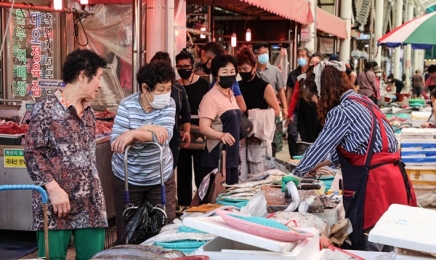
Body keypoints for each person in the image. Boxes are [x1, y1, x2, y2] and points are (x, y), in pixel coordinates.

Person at [293, 61, 417, 251]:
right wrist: (316, 167)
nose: (317, 103)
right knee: (390, 247)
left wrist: (297, 172)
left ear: (324, 92)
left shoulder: (342, 112)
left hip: (374, 188)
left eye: (316, 98)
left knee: (370, 248)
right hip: (394, 182)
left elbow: (319, 147)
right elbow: (348, 149)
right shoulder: (362, 101)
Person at [24, 49, 108, 259]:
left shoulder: (89, 113)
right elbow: (32, 152)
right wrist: (52, 189)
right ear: (82, 76)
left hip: (90, 205)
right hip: (55, 204)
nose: (99, 84)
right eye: (98, 77)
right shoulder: (45, 108)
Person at [111, 62, 177, 236]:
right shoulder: (126, 105)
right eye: (161, 90)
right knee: (129, 230)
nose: (166, 94)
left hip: (160, 175)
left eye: (168, 88)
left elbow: (162, 138)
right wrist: (148, 129)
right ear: (145, 88)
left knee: (164, 228)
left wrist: (134, 133)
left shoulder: (169, 104)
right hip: (127, 176)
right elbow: (118, 143)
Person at [236, 47, 280, 180]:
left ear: (254, 67)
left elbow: (277, 111)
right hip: (241, 137)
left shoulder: (264, 86)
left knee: (259, 176)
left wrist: (253, 115)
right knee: (241, 177)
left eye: (245, 69)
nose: (243, 72)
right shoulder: (237, 86)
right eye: (240, 70)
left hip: (258, 139)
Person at [174, 49, 210, 207]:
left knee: (200, 171)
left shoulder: (203, 83)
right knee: (183, 172)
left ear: (192, 66)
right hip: (181, 132)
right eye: (179, 66)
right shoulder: (175, 86)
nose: (183, 69)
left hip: (200, 131)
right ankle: (183, 204)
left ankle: (201, 203)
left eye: (186, 66)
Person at [199, 54, 241, 185]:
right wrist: (220, 135)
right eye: (224, 72)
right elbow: (203, 127)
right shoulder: (211, 97)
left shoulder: (231, 95)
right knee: (216, 199)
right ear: (216, 75)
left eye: (232, 72)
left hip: (232, 155)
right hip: (217, 155)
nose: (229, 75)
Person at [150, 51, 191, 173]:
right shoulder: (147, 88)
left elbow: (186, 112)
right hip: (151, 137)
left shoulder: (179, 90)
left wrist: (187, 131)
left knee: (169, 171)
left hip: (173, 136)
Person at [287, 53, 324, 155]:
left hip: (319, 113)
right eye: (312, 62)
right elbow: (294, 96)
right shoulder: (302, 78)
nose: (314, 65)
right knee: (305, 139)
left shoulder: (325, 78)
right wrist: (289, 114)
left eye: (317, 63)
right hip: (304, 112)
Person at [201, 42, 247, 113]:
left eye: (203, 60)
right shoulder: (216, 80)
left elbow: (242, 107)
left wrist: (226, 120)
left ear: (211, 59)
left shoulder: (227, 80)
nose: (203, 64)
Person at [286, 46, 311, 158]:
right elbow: (289, 93)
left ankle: (306, 157)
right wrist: (287, 112)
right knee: (292, 134)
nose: (300, 58)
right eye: (299, 55)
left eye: (303, 56)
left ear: (308, 58)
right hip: (295, 110)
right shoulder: (293, 75)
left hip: (309, 110)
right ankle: (294, 156)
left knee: (307, 136)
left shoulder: (312, 73)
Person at [252, 42, 287, 119]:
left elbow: (280, 90)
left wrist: (285, 108)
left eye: (266, 52)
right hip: (255, 109)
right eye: (261, 53)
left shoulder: (275, 70)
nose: (264, 55)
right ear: (255, 55)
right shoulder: (252, 71)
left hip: (272, 109)